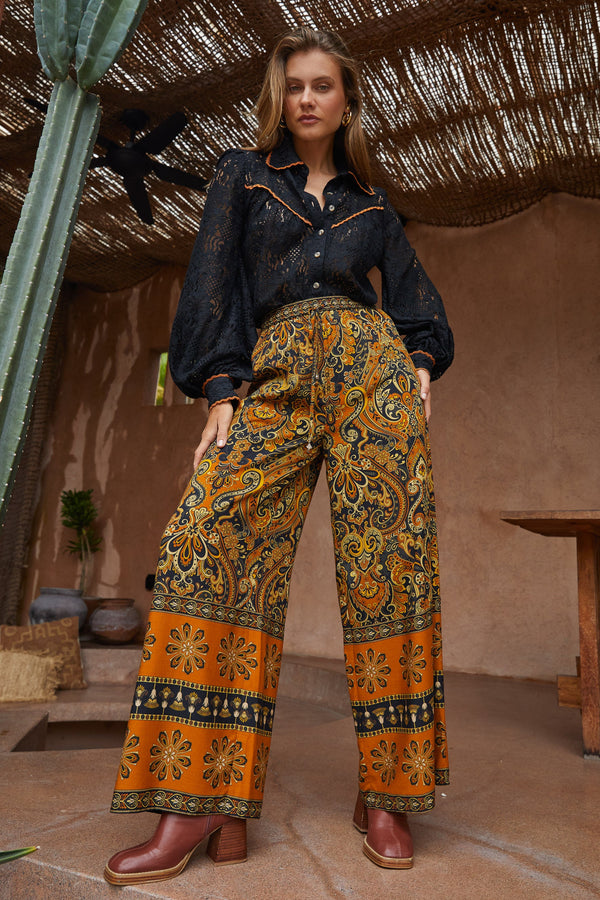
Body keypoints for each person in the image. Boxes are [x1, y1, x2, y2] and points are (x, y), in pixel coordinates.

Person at [104, 25, 453, 886]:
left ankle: (389, 795)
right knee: (207, 544)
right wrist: (222, 387)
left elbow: (415, 301)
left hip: (372, 378)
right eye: (293, 85)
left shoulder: (374, 207)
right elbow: (213, 283)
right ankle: (200, 799)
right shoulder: (243, 176)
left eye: (321, 85)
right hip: (278, 370)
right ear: (279, 98)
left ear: (346, 100)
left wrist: (418, 357)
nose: (305, 98)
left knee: (390, 568)